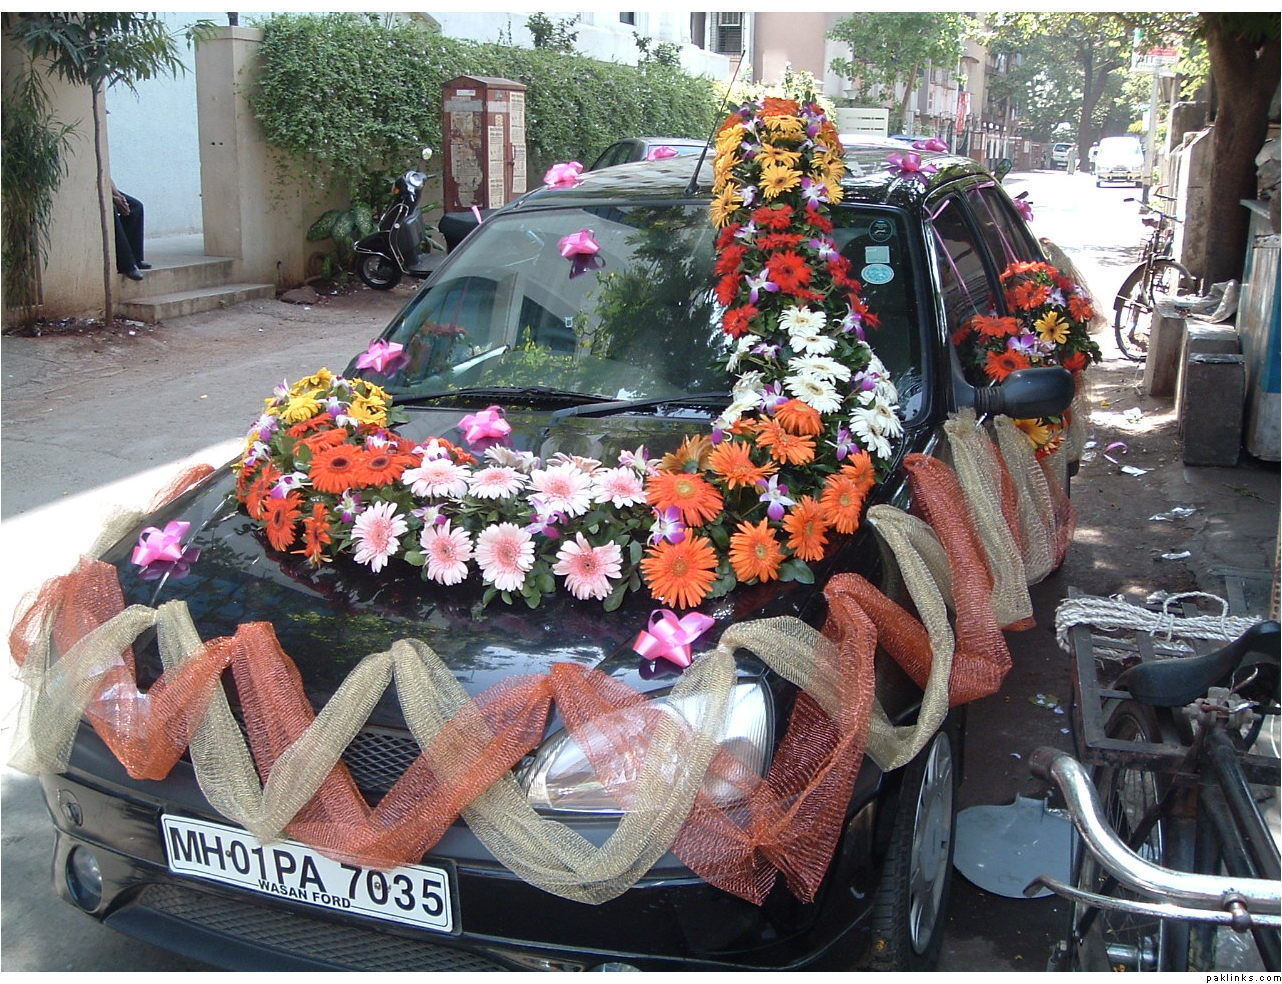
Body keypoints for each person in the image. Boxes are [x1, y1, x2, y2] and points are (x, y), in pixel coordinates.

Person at [112, 183, 149, 281]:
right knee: (112, 209)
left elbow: (106, 178)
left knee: (136, 207)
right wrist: (113, 198)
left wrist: (118, 196)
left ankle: (136, 258)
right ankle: (127, 264)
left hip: (106, 190)